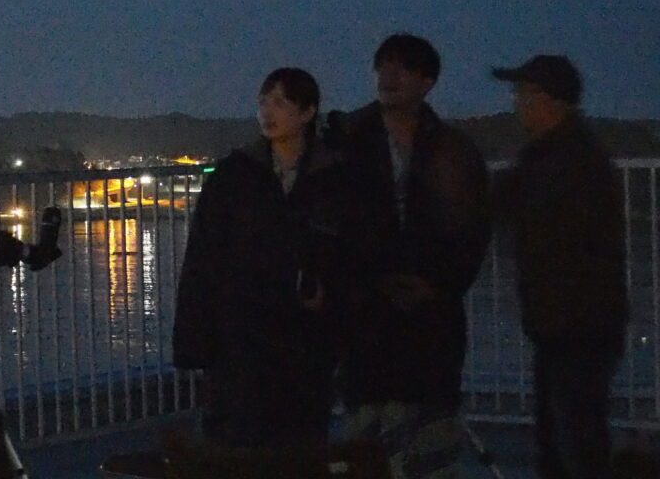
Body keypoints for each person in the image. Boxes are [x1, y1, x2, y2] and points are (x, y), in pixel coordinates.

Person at [172, 67, 361, 449]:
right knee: (237, 440)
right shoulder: (235, 173)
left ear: (307, 113)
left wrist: (332, 299)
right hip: (240, 334)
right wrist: (194, 339)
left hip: (306, 337)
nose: (267, 112)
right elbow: (203, 256)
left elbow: (354, 253)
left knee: (298, 441)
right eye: (263, 102)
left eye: (280, 102)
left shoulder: (336, 177)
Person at [332, 34, 489, 479]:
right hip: (367, 309)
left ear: (427, 81)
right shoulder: (349, 139)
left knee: (428, 429)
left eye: (401, 68)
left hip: (430, 314)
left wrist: (438, 285)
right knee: (365, 426)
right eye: (383, 67)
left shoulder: (451, 147)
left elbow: (472, 228)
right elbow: (333, 223)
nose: (388, 76)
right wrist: (365, 282)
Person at [492, 55, 627, 479]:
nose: (517, 104)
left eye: (523, 95)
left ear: (549, 100)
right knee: (565, 440)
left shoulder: (567, 161)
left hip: (575, 325)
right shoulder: (556, 153)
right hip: (568, 324)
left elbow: (516, 214)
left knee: (574, 445)